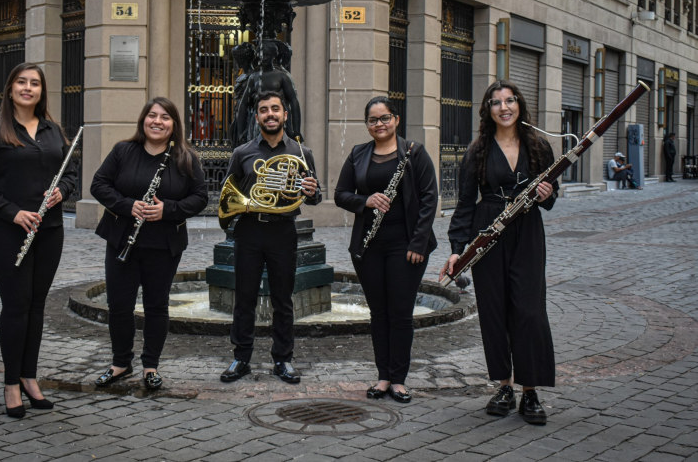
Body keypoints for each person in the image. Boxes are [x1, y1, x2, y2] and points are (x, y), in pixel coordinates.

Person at [438, 80, 558, 425]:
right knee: (494, 312)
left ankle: (530, 390)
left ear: (519, 105)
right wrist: (457, 250)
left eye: (510, 101)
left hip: (527, 232)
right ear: (487, 110)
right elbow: (463, 204)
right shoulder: (478, 150)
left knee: (529, 311)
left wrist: (546, 193)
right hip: (488, 231)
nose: (504, 107)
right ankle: (504, 386)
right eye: (496, 103)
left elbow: (550, 202)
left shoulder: (538, 146)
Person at [0, 62, 78, 418]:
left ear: (42, 91)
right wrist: (13, 212)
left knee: (36, 306)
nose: (28, 88)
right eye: (21, 82)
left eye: (35, 83)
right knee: (16, 306)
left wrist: (62, 190)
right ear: (11, 88)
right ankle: (11, 384)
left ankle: (30, 378)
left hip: (49, 231)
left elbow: (70, 173)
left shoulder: (52, 130)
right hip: (7, 231)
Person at [90, 97, 208, 391]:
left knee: (156, 306)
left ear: (174, 125)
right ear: (143, 120)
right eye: (152, 116)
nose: (157, 121)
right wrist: (127, 205)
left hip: (163, 244)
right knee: (119, 305)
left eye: (165, 117)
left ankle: (150, 366)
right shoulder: (123, 151)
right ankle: (120, 363)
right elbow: (99, 184)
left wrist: (166, 210)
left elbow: (200, 197)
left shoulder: (185, 157)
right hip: (122, 239)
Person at [334, 96, 438, 403]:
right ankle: (383, 376)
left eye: (384, 118)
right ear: (367, 125)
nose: (379, 124)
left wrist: (419, 242)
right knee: (379, 313)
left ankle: (399, 379)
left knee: (400, 313)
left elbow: (429, 198)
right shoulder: (358, 154)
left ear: (396, 120)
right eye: (373, 120)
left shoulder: (414, 152)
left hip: (406, 246)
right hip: (369, 247)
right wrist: (364, 201)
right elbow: (341, 194)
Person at [219, 91, 321, 384]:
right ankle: (241, 358)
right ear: (257, 117)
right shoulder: (242, 153)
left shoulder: (302, 153)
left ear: (285, 114)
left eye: (275, 109)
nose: (270, 114)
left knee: (282, 299)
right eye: (264, 110)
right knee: (245, 298)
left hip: (283, 231)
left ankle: (283, 360)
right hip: (249, 230)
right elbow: (230, 191)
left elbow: (315, 197)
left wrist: (312, 192)